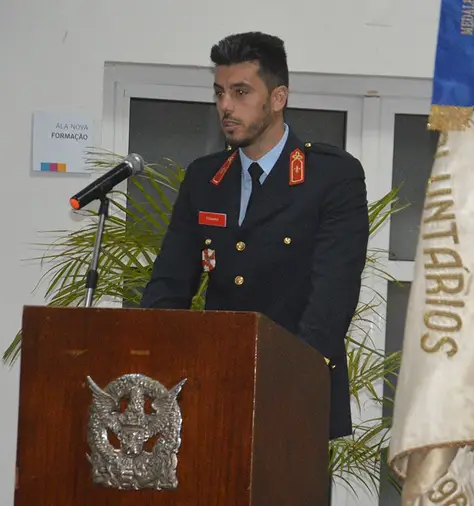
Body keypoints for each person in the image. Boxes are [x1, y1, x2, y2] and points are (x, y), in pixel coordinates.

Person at [140, 31, 371, 445]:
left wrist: (282, 385)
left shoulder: (331, 176)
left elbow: (331, 301)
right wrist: (156, 360)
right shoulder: (204, 179)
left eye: (241, 92)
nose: (226, 106)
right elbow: (168, 285)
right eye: (220, 93)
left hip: (297, 395)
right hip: (213, 391)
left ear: (278, 97)